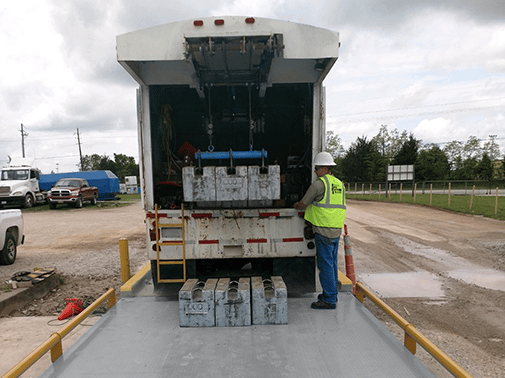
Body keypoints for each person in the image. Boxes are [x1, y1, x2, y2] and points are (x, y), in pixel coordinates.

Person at [294, 152, 346, 309]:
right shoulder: (339, 184)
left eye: (316, 168)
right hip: (335, 230)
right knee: (332, 264)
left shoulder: (319, 184)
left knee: (325, 265)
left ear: (324, 168)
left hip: (323, 230)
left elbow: (304, 203)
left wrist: (296, 204)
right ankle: (331, 294)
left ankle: (329, 299)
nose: (315, 171)